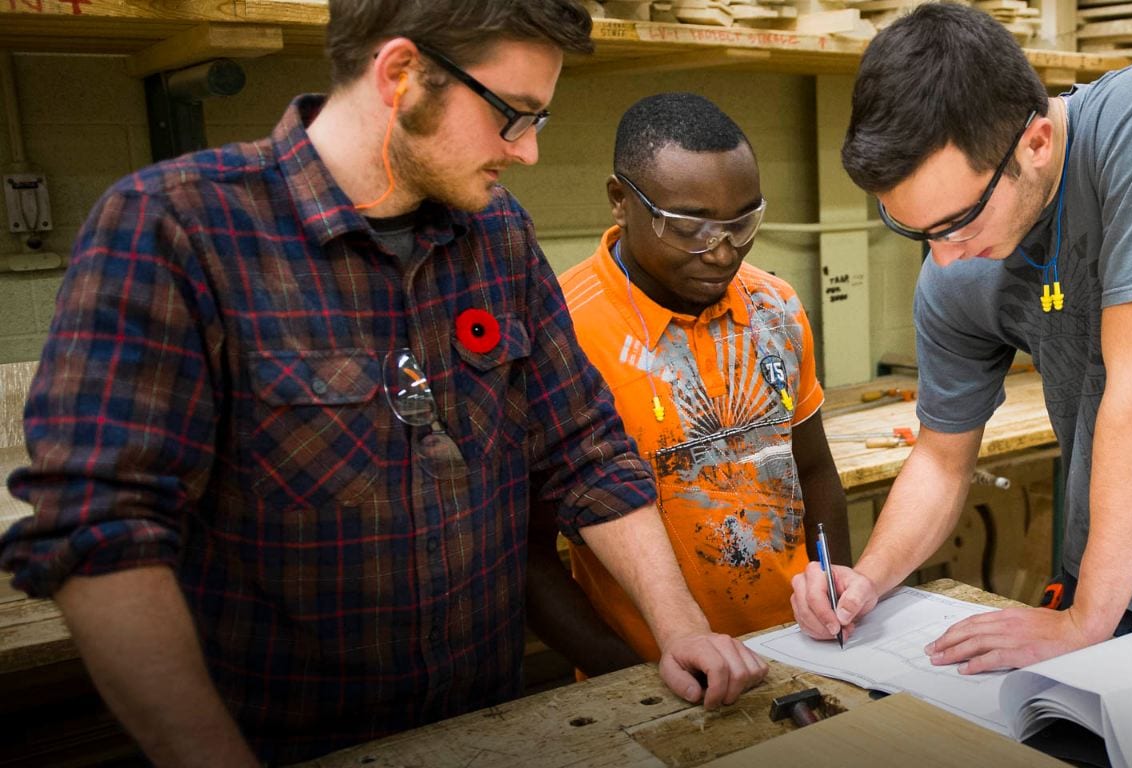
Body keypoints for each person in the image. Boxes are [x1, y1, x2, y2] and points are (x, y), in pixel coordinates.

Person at [0, 2, 764, 763]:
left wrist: (680, 628)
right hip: (279, 741)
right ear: (401, 74)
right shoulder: (178, 228)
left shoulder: (497, 236)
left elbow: (586, 451)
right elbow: (104, 531)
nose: (527, 152)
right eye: (513, 116)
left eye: (540, 121)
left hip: (488, 729)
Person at [790, 3, 1132, 673]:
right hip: (1094, 574)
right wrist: (869, 577)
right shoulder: (956, 273)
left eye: (958, 222)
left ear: (1036, 142)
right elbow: (941, 460)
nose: (944, 258)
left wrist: (1085, 621)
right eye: (916, 232)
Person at [531, 93, 850, 671]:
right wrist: (627, 674)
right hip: (657, 668)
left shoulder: (774, 305)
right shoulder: (561, 331)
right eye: (689, 226)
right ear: (620, 202)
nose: (722, 250)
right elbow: (524, 552)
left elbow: (815, 470)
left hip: (803, 647)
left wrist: (834, 589)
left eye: (743, 221)